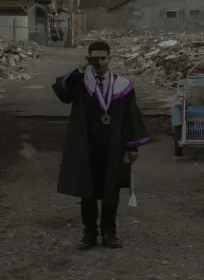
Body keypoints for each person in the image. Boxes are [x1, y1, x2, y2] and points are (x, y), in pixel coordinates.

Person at [52, 40, 149, 251]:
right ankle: (89, 233)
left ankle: (109, 233)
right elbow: (63, 93)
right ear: (88, 59)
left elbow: (131, 117)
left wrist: (132, 146)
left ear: (110, 58)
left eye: (103, 58)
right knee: (87, 191)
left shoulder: (123, 86)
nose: (99, 63)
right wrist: (79, 70)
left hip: (113, 147)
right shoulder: (82, 83)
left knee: (111, 191)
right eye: (94, 59)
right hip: (87, 146)